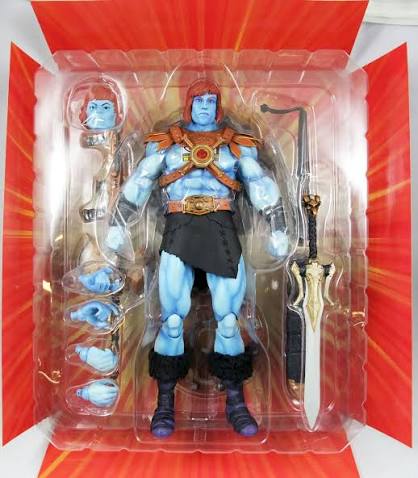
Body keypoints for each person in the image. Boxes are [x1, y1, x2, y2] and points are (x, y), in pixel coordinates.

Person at [82, 79, 290, 438]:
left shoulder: (237, 146)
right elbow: (140, 182)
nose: (205, 107)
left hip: (221, 227)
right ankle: (164, 404)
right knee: (173, 320)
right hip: (178, 228)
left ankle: (236, 403)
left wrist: (279, 226)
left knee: (229, 321)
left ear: (218, 105)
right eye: (199, 101)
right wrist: (117, 224)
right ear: (189, 104)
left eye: (211, 101)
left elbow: (261, 185)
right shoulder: (166, 144)